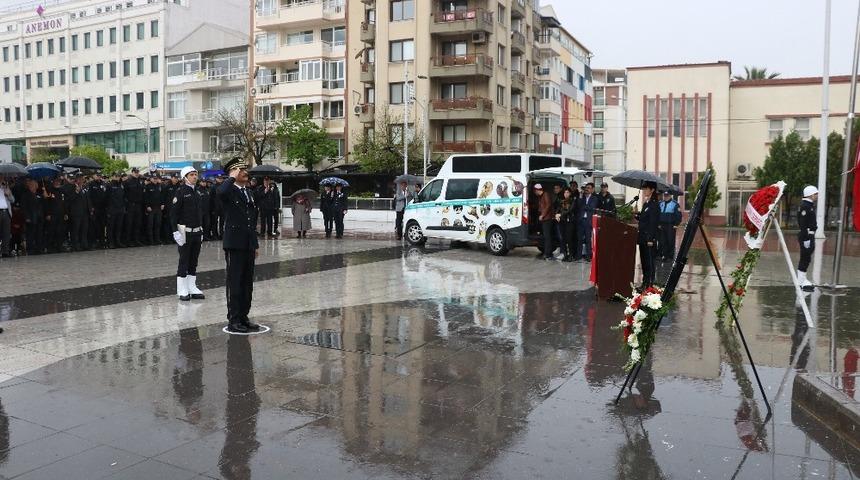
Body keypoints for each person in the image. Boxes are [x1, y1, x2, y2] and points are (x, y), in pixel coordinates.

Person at [218, 157, 261, 333]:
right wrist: (231, 178)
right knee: (235, 282)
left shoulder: (247, 192)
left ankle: (244, 317)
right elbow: (220, 193)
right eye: (241, 170)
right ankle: (233, 319)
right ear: (233, 172)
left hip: (248, 243)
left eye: (245, 170)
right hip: (234, 243)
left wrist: (255, 244)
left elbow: (251, 221)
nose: (246, 173)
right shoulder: (229, 190)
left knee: (247, 283)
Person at [171, 166, 206, 302]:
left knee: (194, 261)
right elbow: (173, 214)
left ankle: (192, 287)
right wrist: (175, 232)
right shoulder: (180, 192)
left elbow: (199, 214)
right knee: (184, 261)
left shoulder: (197, 192)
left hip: (197, 232)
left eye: (195, 174)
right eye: (191, 175)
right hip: (184, 232)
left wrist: (201, 230)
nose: (194, 177)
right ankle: (181, 289)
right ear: (185, 177)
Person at [636, 181, 660, 288]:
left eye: (646, 189)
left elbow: (653, 223)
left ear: (652, 190)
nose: (644, 191)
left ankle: (649, 284)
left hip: (648, 239)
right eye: (644, 189)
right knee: (644, 262)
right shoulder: (646, 203)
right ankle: (644, 283)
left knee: (649, 262)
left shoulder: (654, 204)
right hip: (642, 238)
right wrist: (637, 215)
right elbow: (644, 220)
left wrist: (650, 239)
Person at [797, 185, 818, 291]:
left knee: (806, 258)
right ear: (810, 195)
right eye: (815, 194)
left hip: (809, 235)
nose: (817, 195)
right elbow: (803, 224)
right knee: (805, 258)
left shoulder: (808, 205)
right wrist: (806, 239)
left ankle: (802, 279)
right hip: (807, 235)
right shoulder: (805, 206)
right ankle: (801, 281)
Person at [65, 175, 90, 251]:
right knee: (75, 230)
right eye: (80, 179)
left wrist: (90, 208)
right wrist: (76, 192)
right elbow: (69, 200)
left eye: (83, 179)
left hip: (84, 213)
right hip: (76, 213)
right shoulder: (71, 187)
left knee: (84, 229)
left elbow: (87, 199)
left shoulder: (84, 187)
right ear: (77, 180)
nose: (82, 180)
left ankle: (84, 245)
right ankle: (75, 245)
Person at [20, 178, 44, 255]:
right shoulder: (25, 195)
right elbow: (23, 207)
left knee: (39, 234)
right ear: (29, 186)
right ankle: (30, 249)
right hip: (30, 218)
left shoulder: (39, 195)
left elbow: (42, 206)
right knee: (30, 234)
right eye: (32, 184)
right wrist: (27, 217)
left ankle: (39, 248)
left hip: (39, 218)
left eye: (35, 184)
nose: (34, 186)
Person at [575, 182, 598, 261]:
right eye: (586, 188)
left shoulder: (594, 198)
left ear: (592, 189)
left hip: (588, 221)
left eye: (588, 188)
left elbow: (591, 207)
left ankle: (589, 256)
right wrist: (581, 197)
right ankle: (578, 256)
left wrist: (584, 206)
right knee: (579, 239)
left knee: (588, 239)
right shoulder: (582, 198)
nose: (586, 189)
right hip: (581, 220)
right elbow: (578, 206)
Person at [657, 191, 682, 262]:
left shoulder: (675, 204)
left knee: (670, 241)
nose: (666, 197)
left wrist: (676, 224)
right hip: (661, 225)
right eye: (665, 195)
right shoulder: (660, 203)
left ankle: (670, 257)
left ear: (670, 196)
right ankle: (664, 255)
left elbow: (679, 215)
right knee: (662, 241)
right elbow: (658, 214)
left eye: (667, 195)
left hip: (671, 225)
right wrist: (658, 223)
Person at [555, 187, 577, 262]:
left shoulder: (573, 200)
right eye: (565, 192)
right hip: (562, 222)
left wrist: (560, 215)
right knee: (563, 239)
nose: (566, 194)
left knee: (569, 239)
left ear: (570, 193)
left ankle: (571, 255)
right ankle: (564, 254)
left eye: (567, 192)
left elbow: (570, 210)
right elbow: (558, 209)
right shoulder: (562, 201)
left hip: (570, 221)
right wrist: (556, 215)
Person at [124, 167, 144, 246]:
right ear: (132, 172)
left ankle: (136, 240)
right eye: (135, 172)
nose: (137, 173)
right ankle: (128, 241)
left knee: (137, 223)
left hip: (138, 205)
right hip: (130, 205)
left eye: (137, 172)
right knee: (129, 224)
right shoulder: (127, 181)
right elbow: (124, 194)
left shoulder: (140, 181)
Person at [106, 173, 126, 248]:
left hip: (120, 209)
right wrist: (108, 208)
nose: (118, 178)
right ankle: (110, 242)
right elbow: (106, 198)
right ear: (113, 177)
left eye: (119, 176)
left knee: (119, 226)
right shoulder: (109, 185)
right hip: (112, 209)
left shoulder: (121, 185)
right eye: (116, 176)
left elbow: (123, 196)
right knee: (111, 226)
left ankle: (118, 241)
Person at [535, 184, 554, 260]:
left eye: (535, 191)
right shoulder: (541, 196)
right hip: (545, 218)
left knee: (547, 237)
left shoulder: (545, 194)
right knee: (546, 236)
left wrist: (542, 215)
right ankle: (547, 252)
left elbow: (548, 205)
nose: (535, 192)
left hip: (547, 218)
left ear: (537, 190)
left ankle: (547, 254)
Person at [143, 174, 164, 245]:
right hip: (151, 208)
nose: (155, 180)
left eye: (156, 178)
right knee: (150, 225)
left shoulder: (159, 186)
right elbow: (145, 197)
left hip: (158, 208)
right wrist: (147, 206)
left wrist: (162, 204)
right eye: (153, 178)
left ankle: (157, 239)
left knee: (158, 224)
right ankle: (151, 240)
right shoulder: (148, 186)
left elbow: (162, 196)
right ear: (151, 179)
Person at [0, 178, 13, 257]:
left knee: (6, 233)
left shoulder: (6, 188)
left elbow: (12, 200)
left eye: (2, 179)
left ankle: (5, 251)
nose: (2, 180)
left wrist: (8, 194)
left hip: (6, 212)